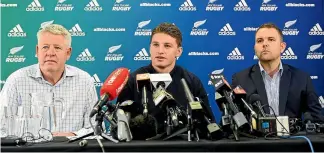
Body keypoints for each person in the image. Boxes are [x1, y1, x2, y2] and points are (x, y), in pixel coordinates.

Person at [116, 23, 215, 139]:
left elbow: (208, 124)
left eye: (167, 46)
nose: (160, 51)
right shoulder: (134, 79)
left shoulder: (191, 81)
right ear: (150, 48)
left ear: (179, 51)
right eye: (155, 45)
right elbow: (120, 124)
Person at [0, 24, 98, 137]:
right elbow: (2, 128)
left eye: (57, 47)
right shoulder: (16, 81)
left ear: (68, 53)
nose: (50, 53)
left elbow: (95, 128)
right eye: (45, 47)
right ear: (37, 51)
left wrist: (72, 135)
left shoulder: (85, 81)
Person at [232, 23, 323, 122]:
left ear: (282, 47)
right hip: (256, 137)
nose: (265, 44)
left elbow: (316, 117)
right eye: (259, 41)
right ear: (255, 48)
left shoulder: (302, 78)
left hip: (293, 137)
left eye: (271, 39)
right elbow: (235, 119)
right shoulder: (240, 79)